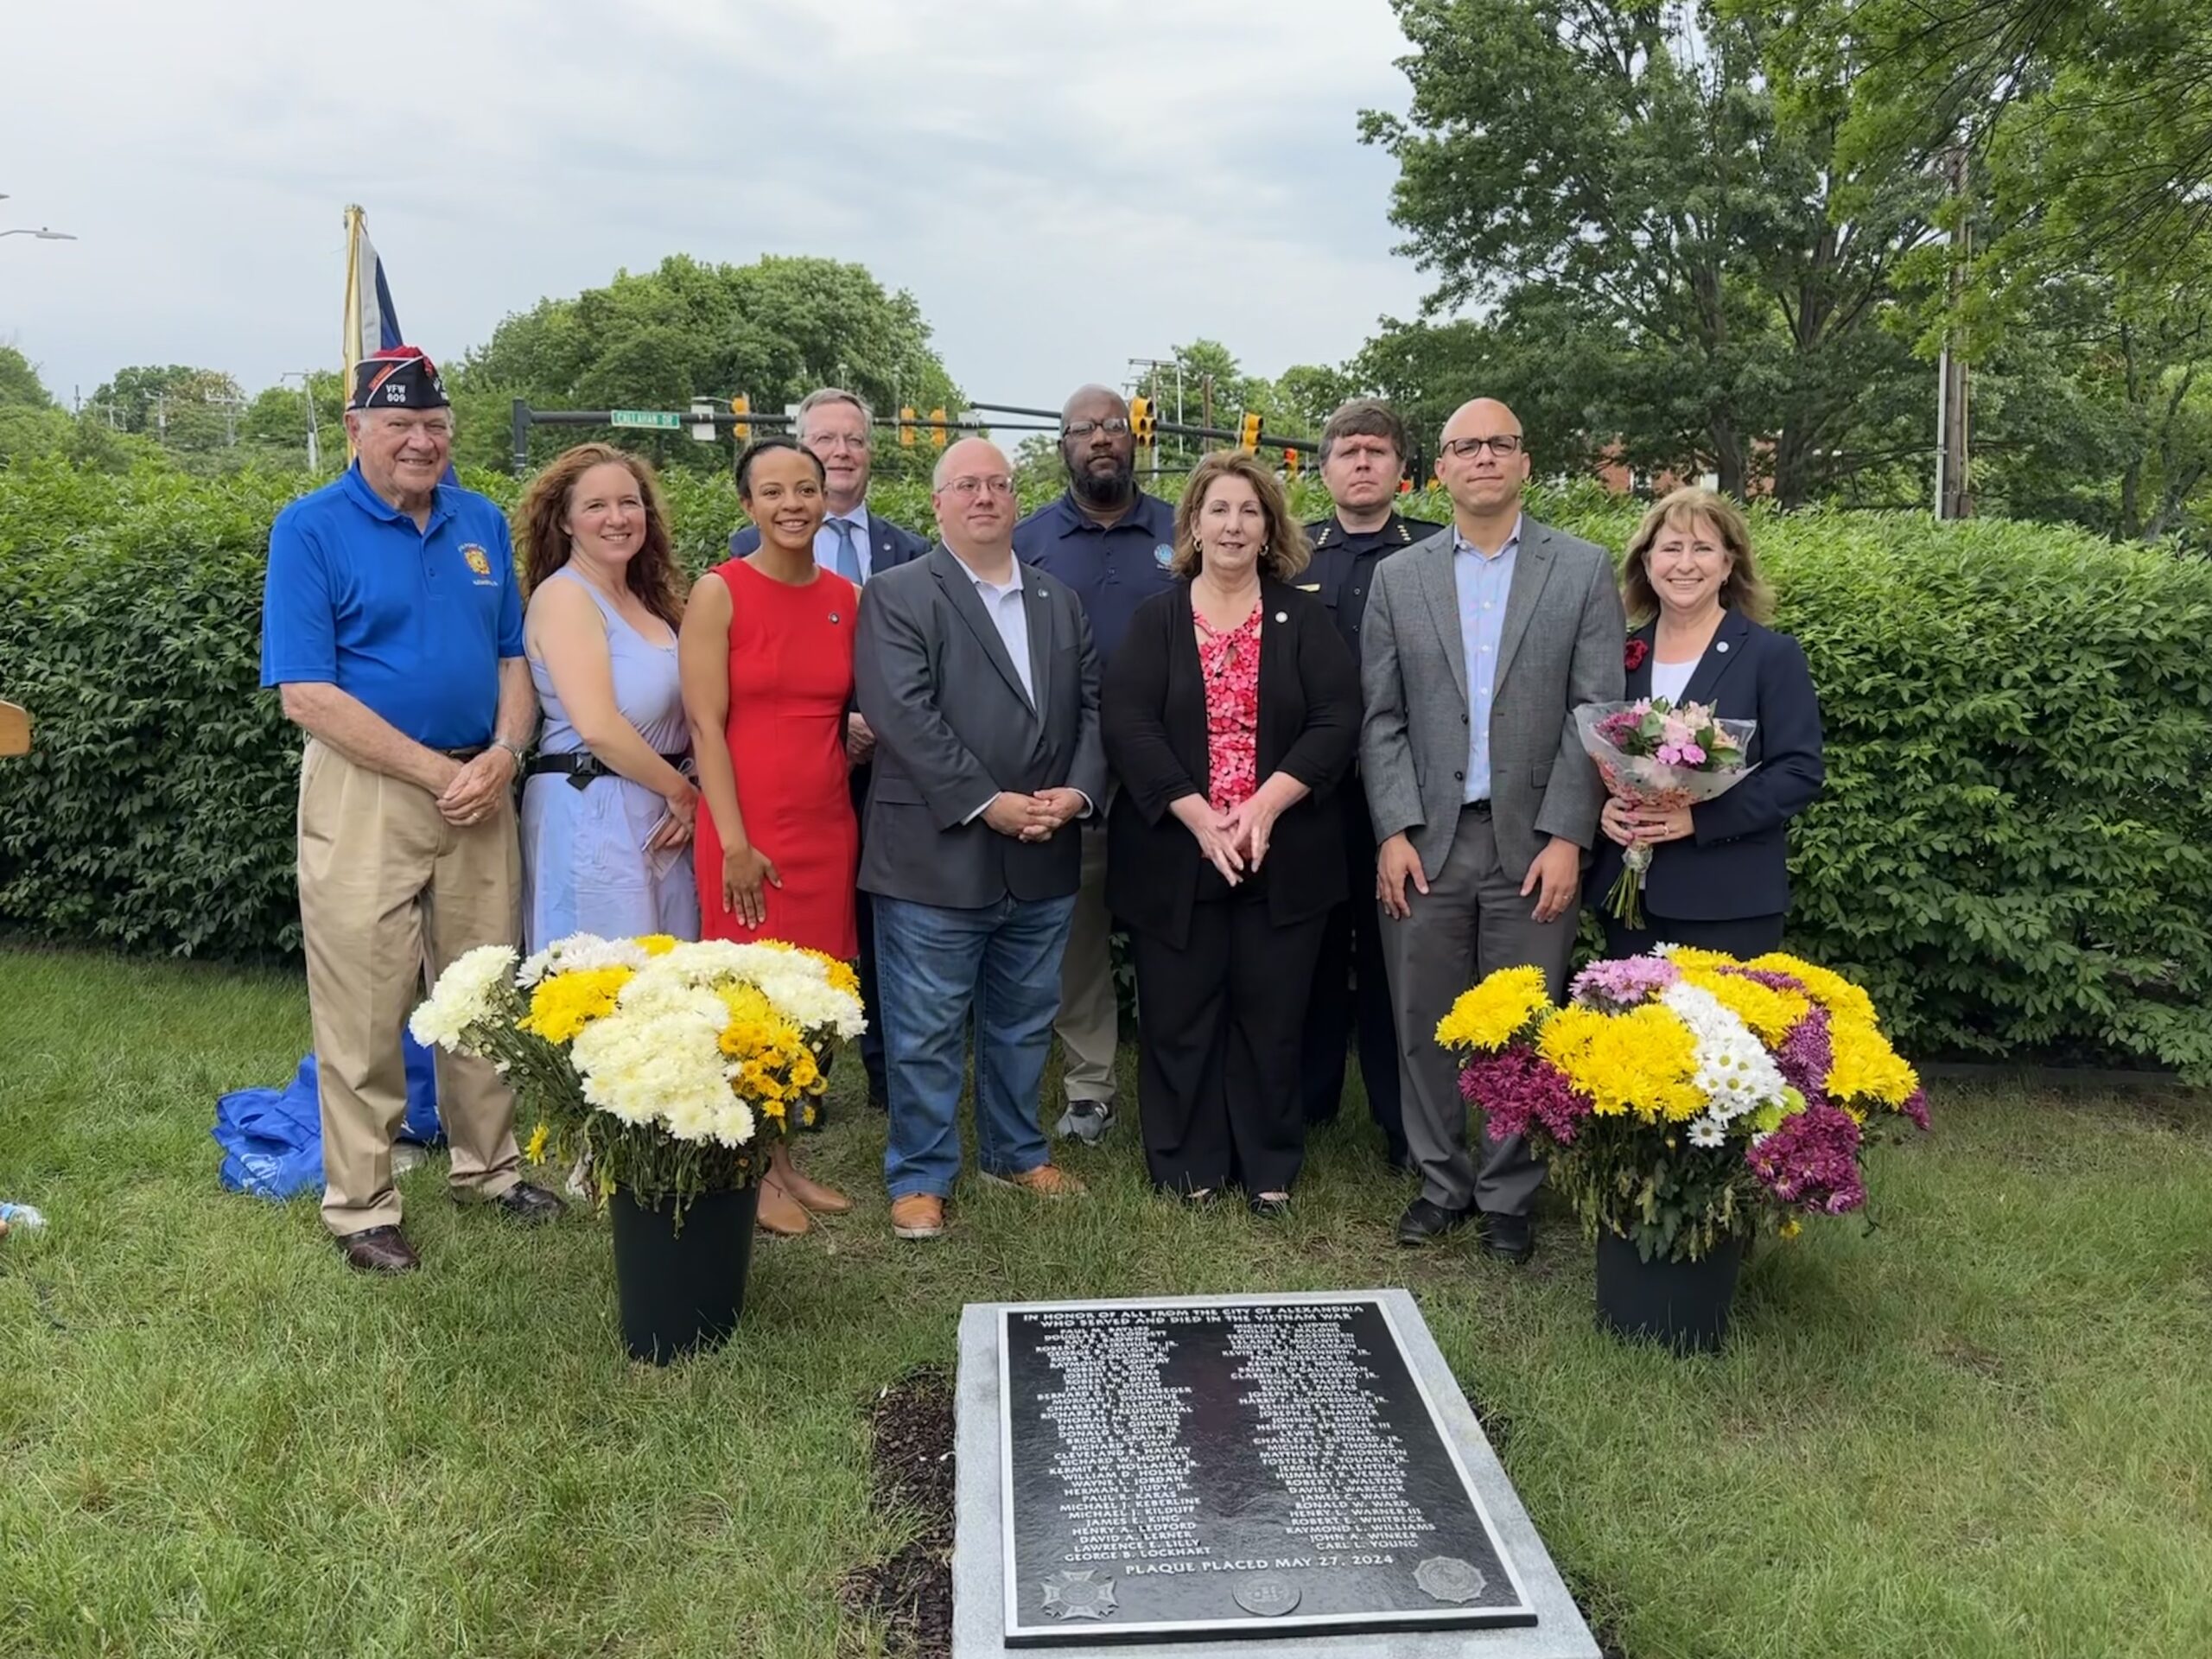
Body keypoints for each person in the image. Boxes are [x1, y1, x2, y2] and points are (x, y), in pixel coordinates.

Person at [259, 346, 560, 1274]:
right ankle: (361, 1206)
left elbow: (515, 656)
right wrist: (440, 772)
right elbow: (305, 693)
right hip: (369, 793)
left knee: (482, 992)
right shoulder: (310, 529)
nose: (421, 442)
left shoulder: (478, 519)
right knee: (364, 998)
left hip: (482, 783)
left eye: (435, 426)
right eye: (399, 426)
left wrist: (507, 753)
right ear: (356, 432)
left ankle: (492, 1169)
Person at [1360, 397, 1624, 1263]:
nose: (1482, 459)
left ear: (1523, 461)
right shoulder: (1398, 579)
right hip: (1427, 840)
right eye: (1464, 447)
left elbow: (1596, 711)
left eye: (1498, 445)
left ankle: (1509, 1192)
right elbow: (1381, 718)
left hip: (1532, 840)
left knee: (1524, 1025)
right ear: (1437, 468)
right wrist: (1393, 828)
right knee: (1423, 1020)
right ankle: (1442, 1181)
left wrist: (1567, 836)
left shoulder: (1581, 570)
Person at [855, 437, 1107, 1242]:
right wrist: (985, 801)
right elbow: (903, 713)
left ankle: (1015, 1150)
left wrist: (1077, 792)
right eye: (966, 485)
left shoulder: (1057, 600)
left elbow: (1094, 707)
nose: (985, 497)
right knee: (926, 1028)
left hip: (1045, 847)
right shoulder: (897, 594)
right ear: (939, 503)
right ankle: (922, 1175)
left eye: (998, 484)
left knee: (1024, 1018)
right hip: (938, 850)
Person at [1103, 452, 1359, 1214]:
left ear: (1270, 527)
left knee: (1271, 1015)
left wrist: (1263, 807)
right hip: (1177, 853)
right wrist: (1196, 812)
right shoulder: (1157, 620)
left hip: (1283, 852)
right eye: (1219, 509)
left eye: (1250, 511)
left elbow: (1336, 719)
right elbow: (1128, 723)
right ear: (1193, 524)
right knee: (1179, 1015)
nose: (1234, 525)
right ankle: (1189, 1165)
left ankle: (1267, 1164)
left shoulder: (1304, 619)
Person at [729, 389, 927, 1112]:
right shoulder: (736, 570)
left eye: (854, 440)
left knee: (859, 941)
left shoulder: (906, 551)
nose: (842, 452)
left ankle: (870, 1072)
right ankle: (776, 1107)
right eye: (826, 441)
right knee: (765, 957)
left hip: (873, 783)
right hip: (774, 788)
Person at [679, 436, 857, 1238]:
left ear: (828, 499)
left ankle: (785, 1161)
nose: (793, 504)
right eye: (774, 491)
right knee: (749, 1000)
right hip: (745, 826)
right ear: (747, 505)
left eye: (807, 489)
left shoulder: (846, 598)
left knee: (810, 999)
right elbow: (705, 730)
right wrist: (734, 839)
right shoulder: (720, 592)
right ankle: (748, 1171)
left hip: (827, 822)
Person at [1013, 385, 1178, 1147]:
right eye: (1085, 429)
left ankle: (1181, 1074)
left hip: (1172, 776)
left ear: (1134, 438)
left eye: (1114, 426)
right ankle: (1089, 1087)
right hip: (1067, 771)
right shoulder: (1027, 541)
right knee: (1078, 940)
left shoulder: (1184, 531)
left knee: (1172, 931)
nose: (1101, 439)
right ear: (1064, 447)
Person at [1296, 399, 1442, 1172]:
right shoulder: (1291, 556)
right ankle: (1310, 1101)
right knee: (1313, 950)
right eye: (1348, 451)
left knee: (1397, 960)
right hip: (1311, 797)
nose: (1362, 462)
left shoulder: (1434, 554)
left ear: (1401, 470)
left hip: (1403, 793)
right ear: (1324, 469)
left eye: (1377, 451)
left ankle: (1400, 1122)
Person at [1589, 486, 1824, 957]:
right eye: (1671, 548)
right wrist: (1600, 812)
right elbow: (1591, 759)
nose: (1685, 563)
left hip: (1729, 901)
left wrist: (1697, 818)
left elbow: (1798, 773)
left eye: (1703, 549)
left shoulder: (1770, 656)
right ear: (1647, 563)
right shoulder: (1619, 653)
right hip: (1630, 900)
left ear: (1728, 565)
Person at [516, 443, 699, 948]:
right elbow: (598, 725)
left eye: (629, 502)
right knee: (606, 992)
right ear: (567, 522)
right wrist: (685, 797)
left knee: (666, 990)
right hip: (593, 810)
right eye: (596, 506)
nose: (617, 518)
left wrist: (687, 787)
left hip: (657, 808)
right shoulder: (566, 597)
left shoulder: (650, 600)